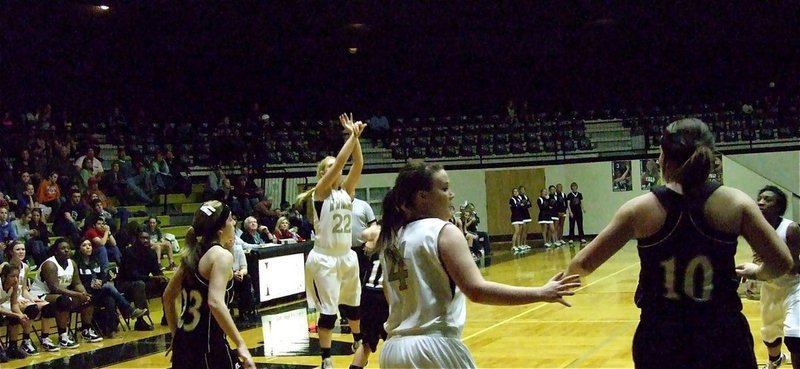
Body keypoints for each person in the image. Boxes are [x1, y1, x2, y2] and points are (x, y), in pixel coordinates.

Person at [565, 118, 794, 369]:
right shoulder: (736, 203)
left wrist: (552, 286)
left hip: (662, 339)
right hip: (722, 335)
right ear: (709, 157)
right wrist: (758, 272)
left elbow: (583, 263)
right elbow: (781, 262)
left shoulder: (639, 209)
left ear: (663, 158)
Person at [377, 160, 580, 369]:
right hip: (432, 349)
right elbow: (476, 290)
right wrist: (541, 293)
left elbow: (388, 294)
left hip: (393, 351)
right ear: (422, 197)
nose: (451, 195)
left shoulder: (391, 238)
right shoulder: (441, 231)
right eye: (445, 188)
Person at [296, 113, 366, 369]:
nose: (333, 169)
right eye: (327, 168)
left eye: (332, 167)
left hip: (347, 256)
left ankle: (357, 342)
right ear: (322, 174)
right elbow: (340, 163)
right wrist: (351, 136)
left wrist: (355, 137)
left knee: (354, 307)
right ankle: (326, 357)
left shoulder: (346, 192)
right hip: (324, 258)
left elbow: (357, 164)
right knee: (328, 312)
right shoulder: (321, 193)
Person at [163, 200, 255, 369]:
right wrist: (240, 343)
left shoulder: (192, 253)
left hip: (184, 345)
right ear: (220, 230)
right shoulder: (221, 256)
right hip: (208, 347)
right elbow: (215, 302)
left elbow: (167, 297)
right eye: (230, 220)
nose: (234, 223)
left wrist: (177, 337)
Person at [740, 186, 799, 369]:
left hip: (794, 287)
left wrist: (757, 271)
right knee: (769, 334)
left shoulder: (790, 229)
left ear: (778, 207)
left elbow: (794, 267)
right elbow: (760, 257)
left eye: (767, 199)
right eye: (759, 198)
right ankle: (775, 360)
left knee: (795, 336)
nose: (760, 202)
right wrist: (751, 273)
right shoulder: (755, 229)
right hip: (770, 287)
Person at [30, 238, 104, 350]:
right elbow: (55, 288)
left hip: (61, 293)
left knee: (89, 298)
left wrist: (83, 293)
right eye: (63, 248)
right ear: (56, 251)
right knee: (63, 301)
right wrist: (76, 295)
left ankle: (86, 330)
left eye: (68, 248)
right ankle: (63, 336)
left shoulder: (72, 263)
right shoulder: (50, 264)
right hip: (41, 294)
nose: (66, 250)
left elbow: (77, 282)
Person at [74, 239, 146, 337]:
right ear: (79, 248)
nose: (88, 247)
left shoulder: (95, 260)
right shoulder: (76, 263)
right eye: (84, 245)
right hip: (85, 293)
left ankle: (110, 330)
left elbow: (103, 276)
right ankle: (129, 310)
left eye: (89, 245)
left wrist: (100, 282)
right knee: (109, 288)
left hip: (98, 291)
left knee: (110, 298)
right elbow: (77, 281)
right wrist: (90, 284)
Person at [348, 223, 386, 369]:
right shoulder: (404, 235)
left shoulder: (381, 234)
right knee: (395, 342)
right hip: (384, 295)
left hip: (368, 294)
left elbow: (365, 234)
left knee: (367, 343)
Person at [116, 230, 169, 331]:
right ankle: (140, 321)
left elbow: (156, 271)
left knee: (165, 283)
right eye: (142, 238)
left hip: (143, 281)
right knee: (139, 285)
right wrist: (151, 278)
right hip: (124, 284)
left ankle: (167, 315)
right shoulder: (129, 252)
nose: (145, 240)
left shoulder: (152, 253)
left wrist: (162, 277)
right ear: (137, 239)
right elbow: (131, 275)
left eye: (147, 238)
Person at [1, 241, 47, 356]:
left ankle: (18, 344)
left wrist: (31, 300)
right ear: (11, 252)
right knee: (17, 313)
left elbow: (24, 289)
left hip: (15, 298)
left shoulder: (24, 268)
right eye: (18, 249)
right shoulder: (4, 267)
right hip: (4, 300)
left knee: (35, 307)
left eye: (23, 249)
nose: (21, 252)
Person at [0, 263, 40, 359]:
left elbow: (14, 304)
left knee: (15, 317)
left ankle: (12, 347)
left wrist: (21, 315)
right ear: (4, 277)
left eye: (17, 276)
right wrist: (16, 315)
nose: (16, 279)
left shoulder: (15, 285)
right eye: (12, 276)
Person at [509, 188, 525, 253]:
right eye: (514, 191)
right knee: (516, 231)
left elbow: (523, 206)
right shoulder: (512, 199)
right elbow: (514, 207)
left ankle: (518, 245)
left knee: (520, 232)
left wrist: (521, 205)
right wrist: (519, 205)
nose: (516, 192)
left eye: (517, 191)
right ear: (513, 193)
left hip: (520, 216)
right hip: (515, 217)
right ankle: (513, 246)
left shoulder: (519, 198)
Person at [518, 186, 533, 251]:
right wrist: (525, 204)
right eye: (521, 190)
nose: (522, 191)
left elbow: (530, 204)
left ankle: (524, 243)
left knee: (526, 230)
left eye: (523, 190)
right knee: (522, 230)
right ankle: (520, 244)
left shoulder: (526, 197)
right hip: (521, 215)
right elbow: (519, 205)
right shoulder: (518, 197)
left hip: (527, 214)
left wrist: (524, 204)